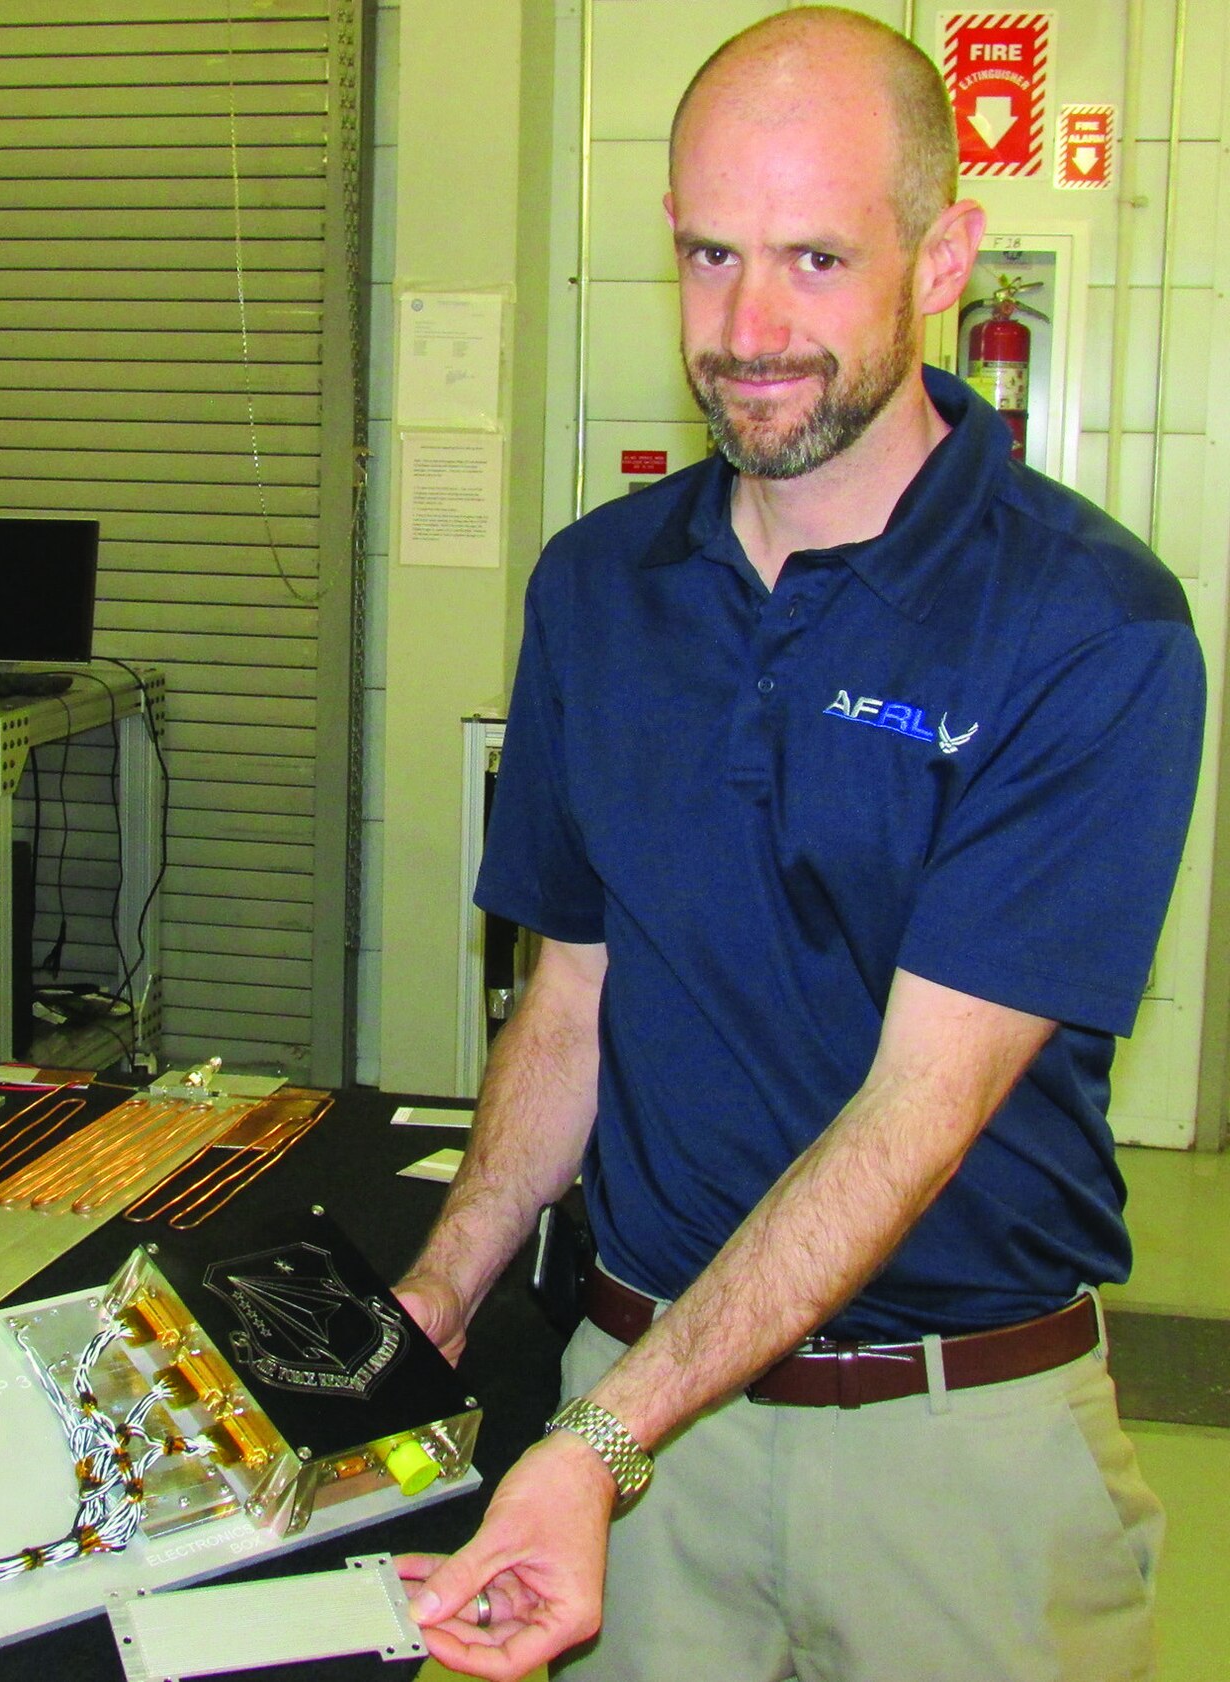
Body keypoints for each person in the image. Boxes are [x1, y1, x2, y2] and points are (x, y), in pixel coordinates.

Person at [391, 9, 1206, 1681]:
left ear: (943, 253)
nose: (748, 328)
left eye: (817, 258)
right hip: (629, 1454)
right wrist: (447, 1282)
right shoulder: (594, 592)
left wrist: (602, 1437)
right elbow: (572, 997)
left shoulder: (1089, 629)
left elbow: (918, 1113)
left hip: (952, 1460)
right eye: (707, 256)